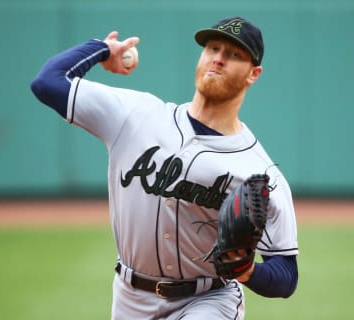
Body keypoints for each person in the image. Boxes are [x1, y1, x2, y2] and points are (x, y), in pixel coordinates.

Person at [31, 16, 298, 320]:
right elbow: (47, 82)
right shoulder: (135, 115)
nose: (219, 59)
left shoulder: (259, 170)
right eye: (212, 48)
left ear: (254, 74)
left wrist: (249, 270)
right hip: (129, 299)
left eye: (234, 54)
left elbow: (286, 275)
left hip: (209, 300)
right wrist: (103, 49)